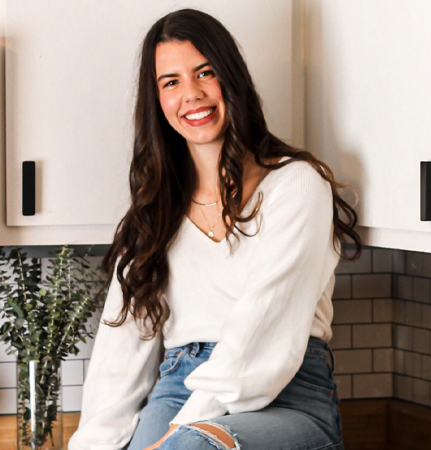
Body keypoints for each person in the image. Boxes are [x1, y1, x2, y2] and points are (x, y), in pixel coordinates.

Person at [69, 8, 361, 450]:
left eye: (204, 73)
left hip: (287, 398)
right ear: (158, 101)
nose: (192, 94)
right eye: (171, 82)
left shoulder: (297, 185)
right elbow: (121, 352)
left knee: (193, 447)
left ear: (231, 77)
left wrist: (181, 435)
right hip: (175, 389)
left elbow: (260, 333)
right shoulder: (155, 209)